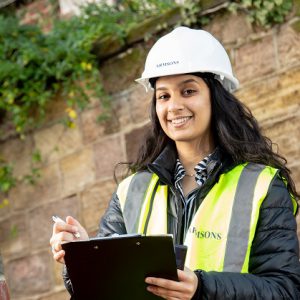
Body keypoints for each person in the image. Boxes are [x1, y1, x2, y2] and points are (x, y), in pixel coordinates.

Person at [50, 26, 300, 299]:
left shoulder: (262, 186)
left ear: (216, 97)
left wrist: (202, 288)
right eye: (164, 96)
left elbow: (285, 290)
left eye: (188, 91)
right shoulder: (132, 191)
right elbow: (104, 291)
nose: (174, 106)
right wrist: (82, 255)